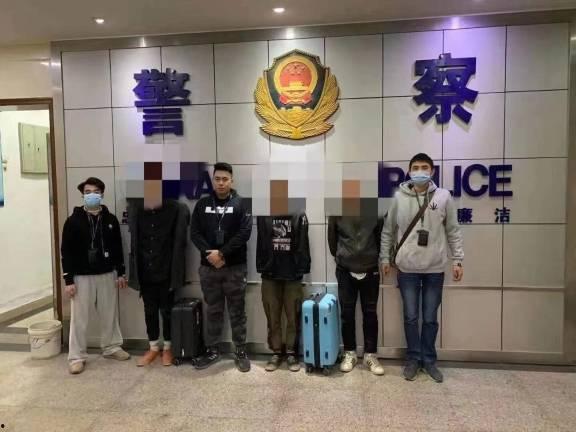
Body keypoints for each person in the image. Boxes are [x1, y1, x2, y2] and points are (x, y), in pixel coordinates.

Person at [380, 153, 464, 383]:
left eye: (424, 167)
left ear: (432, 171)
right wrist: (385, 258)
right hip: (407, 268)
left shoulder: (444, 197)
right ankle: (413, 359)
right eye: (415, 167)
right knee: (410, 317)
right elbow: (388, 230)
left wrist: (458, 259)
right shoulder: (399, 197)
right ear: (409, 172)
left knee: (429, 318)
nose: (420, 171)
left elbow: (453, 230)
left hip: (434, 269)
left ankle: (429, 360)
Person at [61, 177, 130, 375]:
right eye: (88, 192)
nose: (92, 195)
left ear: (102, 194)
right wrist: (68, 280)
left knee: (109, 314)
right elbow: (66, 252)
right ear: (82, 195)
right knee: (79, 318)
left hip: (107, 274)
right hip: (82, 277)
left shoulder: (110, 219)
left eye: (96, 192)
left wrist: (121, 272)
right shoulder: (73, 221)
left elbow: (117, 247)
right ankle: (76, 357)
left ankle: (111, 347)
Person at [190, 162, 252, 372]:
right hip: (209, 268)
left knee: (237, 311)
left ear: (231, 180)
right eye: (217, 179)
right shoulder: (202, 204)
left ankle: (240, 350)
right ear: (213, 180)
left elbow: (244, 233)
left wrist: (222, 253)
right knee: (213, 310)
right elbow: (195, 233)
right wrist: (212, 255)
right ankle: (212, 350)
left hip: (235, 268)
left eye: (225, 179)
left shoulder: (242, 204)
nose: (221, 183)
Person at [126, 198, 190, 367]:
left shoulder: (176, 208)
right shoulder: (136, 209)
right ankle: (153, 347)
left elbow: (180, 241)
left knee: (167, 311)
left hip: (167, 270)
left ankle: (168, 348)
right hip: (145, 271)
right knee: (150, 311)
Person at [328, 192, 385, 376]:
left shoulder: (375, 210)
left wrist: (371, 258)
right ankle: (349, 353)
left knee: (370, 313)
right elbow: (332, 240)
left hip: (370, 269)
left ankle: (370, 355)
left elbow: (380, 238)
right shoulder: (337, 210)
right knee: (347, 313)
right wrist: (343, 257)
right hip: (345, 269)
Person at [256, 212, 310, 372]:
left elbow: (303, 244)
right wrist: (262, 266)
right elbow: (261, 242)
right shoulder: (263, 214)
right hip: (270, 273)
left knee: (293, 315)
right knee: (272, 316)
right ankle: (276, 352)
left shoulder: (299, 214)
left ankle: (292, 353)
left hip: (292, 273)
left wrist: (302, 268)